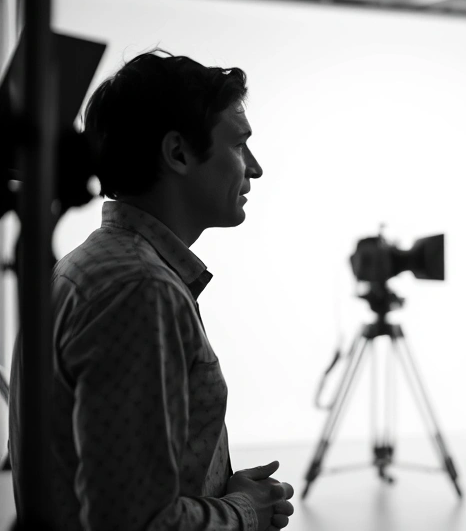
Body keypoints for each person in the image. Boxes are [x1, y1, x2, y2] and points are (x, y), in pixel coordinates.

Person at [8, 51, 294, 530]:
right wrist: (247, 511)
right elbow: (136, 524)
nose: (255, 168)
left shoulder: (90, 268)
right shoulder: (139, 289)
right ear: (178, 153)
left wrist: (221, 491)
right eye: (239, 144)